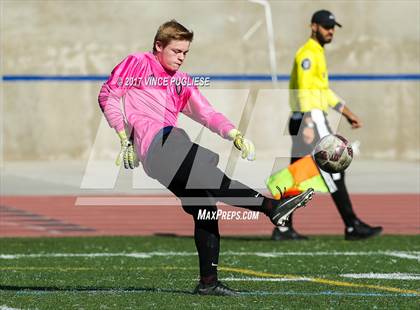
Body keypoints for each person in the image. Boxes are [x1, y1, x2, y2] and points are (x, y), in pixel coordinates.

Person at [98, 20, 314, 296]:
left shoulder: (182, 81)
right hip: (161, 142)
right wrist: (121, 136)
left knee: (205, 205)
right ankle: (271, 207)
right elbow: (108, 94)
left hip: (163, 152)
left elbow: (206, 113)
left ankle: (208, 282)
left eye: (185, 53)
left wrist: (234, 133)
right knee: (209, 173)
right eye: (176, 51)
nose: (181, 57)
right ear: (158, 46)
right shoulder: (137, 62)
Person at [271, 10, 382, 241]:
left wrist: (347, 112)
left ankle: (282, 227)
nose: (330, 31)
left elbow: (323, 92)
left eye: (332, 27)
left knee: (297, 176)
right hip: (310, 118)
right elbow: (304, 90)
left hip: (306, 118)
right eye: (325, 26)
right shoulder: (308, 54)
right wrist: (309, 123)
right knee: (335, 166)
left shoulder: (318, 52)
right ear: (313, 27)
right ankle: (352, 225)